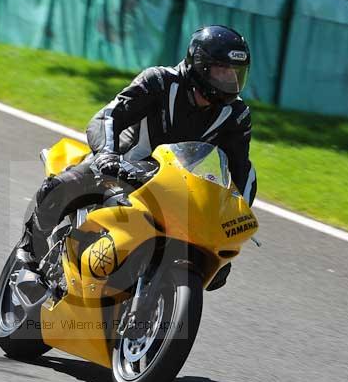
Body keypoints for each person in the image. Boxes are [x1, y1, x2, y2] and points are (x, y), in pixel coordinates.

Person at [18, 25, 257, 288]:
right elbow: (108, 116)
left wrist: (234, 217)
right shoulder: (159, 82)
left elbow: (241, 171)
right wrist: (107, 155)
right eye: (222, 72)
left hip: (175, 193)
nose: (231, 81)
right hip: (119, 169)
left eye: (236, 73)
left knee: (214, 268)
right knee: (60, 186)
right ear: (200, 64)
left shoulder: (236, 116)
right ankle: (30, 256)